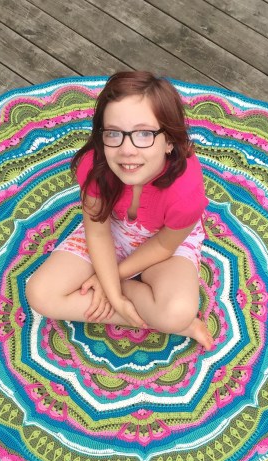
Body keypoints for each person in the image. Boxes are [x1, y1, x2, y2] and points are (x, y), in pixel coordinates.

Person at [26, 71, 213, 350]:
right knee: (40, 294)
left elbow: (163, 246)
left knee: (176, 311)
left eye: (144, 134)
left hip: (163, 246)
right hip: (112, 232)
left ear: (170, 141)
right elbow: (98, 234)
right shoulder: (95, 166)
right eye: (113, 133)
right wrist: (115, 296)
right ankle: (162, 320)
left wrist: (110, 281)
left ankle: (168, 317)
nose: (127, 150)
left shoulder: (186, 195)